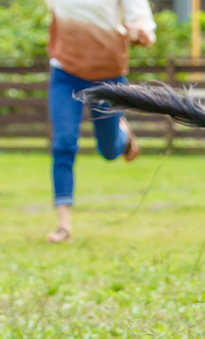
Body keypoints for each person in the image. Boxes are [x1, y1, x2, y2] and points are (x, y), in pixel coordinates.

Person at [45, 0, 157, 243]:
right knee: (63, 144)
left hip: (108, 77)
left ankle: (123, 136)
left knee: (108, 151)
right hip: (65, 73)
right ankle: (64, 226)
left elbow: (145, 27)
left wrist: (140, 33)